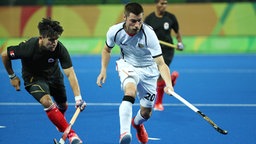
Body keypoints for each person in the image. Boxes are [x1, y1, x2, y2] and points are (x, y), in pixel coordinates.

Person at [96, 2, 174, 144]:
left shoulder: (149, 34)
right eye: (133, 21)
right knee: (130, 92)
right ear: (124, 18)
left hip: (149, 70)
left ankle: (137, 125)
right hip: (128, 65)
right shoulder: (114, 31)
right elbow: (107, 49)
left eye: (139, 20)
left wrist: (168, 84)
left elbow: (161, 64)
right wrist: (103, 70)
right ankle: (124, 134)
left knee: (146, 113)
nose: (137, 25)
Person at [1, 17, 86, 144]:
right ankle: (72, 135)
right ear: (41, 38)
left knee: (63, 105)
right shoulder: (28, 48)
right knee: (47, 101)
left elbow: (70, 73)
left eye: (56, 40)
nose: (54, 43)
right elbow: (4, 55)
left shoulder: (59, 48)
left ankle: (60, 122)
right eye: (51, 40)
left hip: (54, 77)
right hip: (33, 79)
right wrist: (12, 76)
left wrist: (78, 98)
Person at [144, 0, 184, 111]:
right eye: (161, 3)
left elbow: (177, 32)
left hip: (168, 50)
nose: (164, 5)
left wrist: (179, 43)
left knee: (160, 75)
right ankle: (171, 79)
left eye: (166, 3)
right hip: (154, 50)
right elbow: (144, 34)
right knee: (155, 75)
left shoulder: (171, 17)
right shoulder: (149, 19)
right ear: (156, 3)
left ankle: (159, 103)